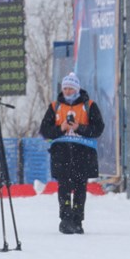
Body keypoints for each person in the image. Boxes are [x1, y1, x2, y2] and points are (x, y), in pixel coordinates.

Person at [40, 72, 106, 234]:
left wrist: (80, 128)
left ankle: (77, 219)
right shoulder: (55, 107)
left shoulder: (89, 106)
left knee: (79, 186)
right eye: (65, 88)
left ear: (77, 89)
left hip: (83, 154)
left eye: (70, 88)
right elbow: (45, 131)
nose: (68, 92)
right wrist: (60, 128)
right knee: (64, 186)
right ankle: (65, 218)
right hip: (61, 154)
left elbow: (98, 129)